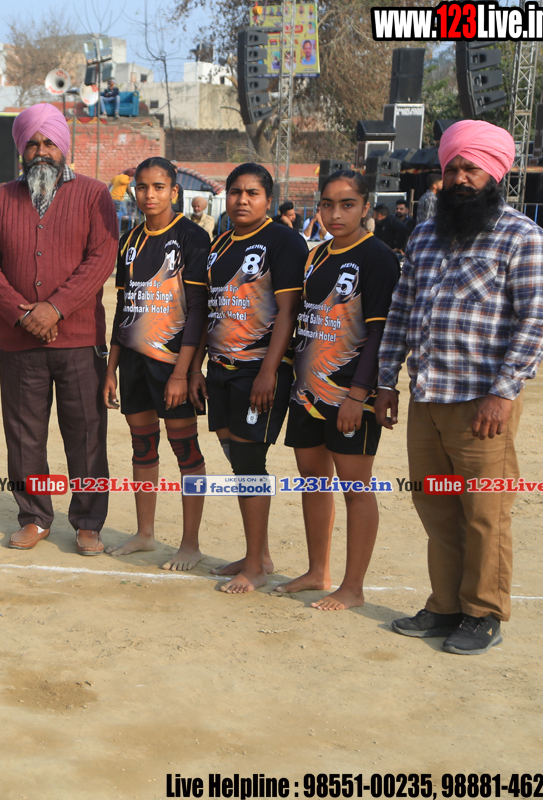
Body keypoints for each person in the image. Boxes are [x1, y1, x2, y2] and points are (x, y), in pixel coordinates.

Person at [375, 120, 543, 655]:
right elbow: (402, 311)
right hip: (427, 398)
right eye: (452, 167)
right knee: (436, 508)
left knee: (484, 513)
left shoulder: (524, 237)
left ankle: (483, 614)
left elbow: (536, 322)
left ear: (494, 173)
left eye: (470, 168)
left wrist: (503, 393)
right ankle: (445, 605)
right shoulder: (425, 235)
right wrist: (386, 382)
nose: (459, 178)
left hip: (482, 405)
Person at [0, 103, 118, 555]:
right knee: (24, 436)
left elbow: (102, 259)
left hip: (80, 341)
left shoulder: (94, 195)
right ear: (21, 148)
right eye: (32, 143)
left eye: (49, 142)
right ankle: (34, 516)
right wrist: (24, 314)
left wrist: (54, 309)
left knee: (87, 435)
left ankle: (88, 522)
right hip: (20, 343)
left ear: (63, 145)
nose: (41, 151)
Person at [276, 170, 399, 610]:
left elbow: (380, 334)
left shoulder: (378, 258)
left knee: (355, 488)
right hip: (307, 391)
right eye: (327, 204)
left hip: (350, 396)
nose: (335, 214)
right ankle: (317, 571)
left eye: (347, 204)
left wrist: (358, 395)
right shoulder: (316, 255)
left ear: (366, 206)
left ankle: (353, 587)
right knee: (313, 480)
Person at [200, 162, 308, 593]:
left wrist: (268, 371)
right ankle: (256, 555)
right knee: (236, 457)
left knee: (249, 463)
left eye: (252, 193)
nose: (242, 200)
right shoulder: (219, 244)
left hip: (258, 370)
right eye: (235, 192)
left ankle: (257, 568)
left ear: (267, 199)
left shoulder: (283, 240)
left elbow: (288, 311)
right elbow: (210, 309)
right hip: (220, 369)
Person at [102, 157, 212, 568]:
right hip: (133, 361)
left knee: (186, 449)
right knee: (142, 446)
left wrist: (184, 371)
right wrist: (111, 369)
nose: (149, 195)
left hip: (172, 364)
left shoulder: (192, 237)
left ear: (174, 191)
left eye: (158, 187)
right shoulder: (129, 240)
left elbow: (199, 309)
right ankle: (145, 534)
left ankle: (191, 544)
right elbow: (123, 307)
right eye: (142, 187)